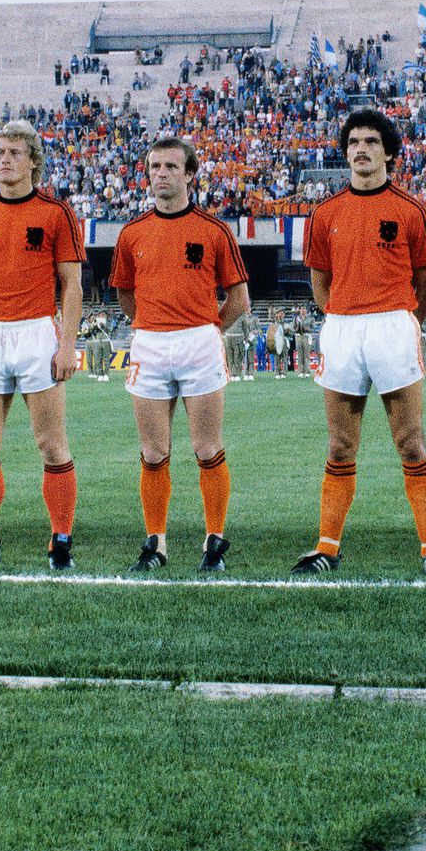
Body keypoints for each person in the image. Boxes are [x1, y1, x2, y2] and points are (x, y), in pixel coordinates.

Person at [292, 108, 426, 574]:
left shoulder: (409, 210)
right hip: (342, 326)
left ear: (389, 152)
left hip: (393, 326)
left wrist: (403, 322)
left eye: (371, 142)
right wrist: (342, 316)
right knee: (340, 445)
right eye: (354, 142)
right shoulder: (326, 213)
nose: (361, 149)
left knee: (410, 441)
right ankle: (327, 548)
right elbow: (320, 280)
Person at [109, 136, 250, 572]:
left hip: (200, 342)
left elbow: (239, 298)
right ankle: (156, 544)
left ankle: (214, 542)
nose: (161, 174)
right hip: (149, 343)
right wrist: (152, 325)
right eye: (154, 167)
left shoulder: (214, 231)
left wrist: (208, 329)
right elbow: (125, 294)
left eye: (171, 166)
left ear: (190, 175)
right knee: (153, 452)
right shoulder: (132, 233)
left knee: (207, 448)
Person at [0, 120, 84, 571]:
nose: (3, 160)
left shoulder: (55, 213)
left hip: (36, 335)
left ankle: (60, 538)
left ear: (32, 162)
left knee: (50, 444)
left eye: (13, 153)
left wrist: (67, 345)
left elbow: (71, 284)